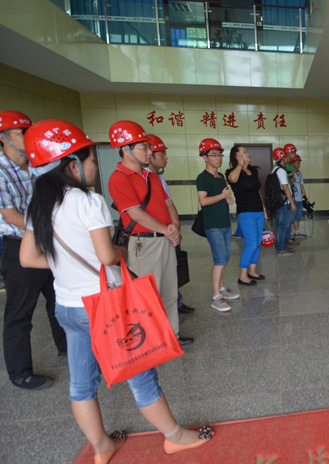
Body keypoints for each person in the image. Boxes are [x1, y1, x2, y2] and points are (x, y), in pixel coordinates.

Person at [19, 119, 213, 464]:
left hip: (68, 307)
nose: (95, 166)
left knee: (81, 385)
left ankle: (101, 446)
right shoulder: (87, 201)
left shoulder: (39, 204)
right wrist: (121, 253)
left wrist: (66, 263)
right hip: (104, 305)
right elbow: (107, 256)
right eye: (92, 159)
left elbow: (28, 258)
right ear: (72, 164)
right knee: (141, 376)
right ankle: (175, 437)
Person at [107, 121, 193, 346]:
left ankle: (171, 337)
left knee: (169, 292)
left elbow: (168, 204)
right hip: (144, 245)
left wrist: (175, 228)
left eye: (149, 147)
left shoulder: (151, 176)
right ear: (125, 150)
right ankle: (149, 342)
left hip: (165, 240)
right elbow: (136, 214)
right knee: (146, 297)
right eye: (143, 147)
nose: (149, 152)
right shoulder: (119, 178)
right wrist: (167, 230)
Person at [0, 110, 66, 390]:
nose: (28, 137)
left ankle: (66, 347)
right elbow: (10, 215)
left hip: (47, 241)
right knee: (20, 312)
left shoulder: (37, 167)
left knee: (59, 298)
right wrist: (42, 228)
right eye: (21, 133)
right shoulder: (1, 171)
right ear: (4, 138)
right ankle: (20, 373)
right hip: (18, 247)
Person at [145, 134, 195, 315]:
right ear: (150, 155)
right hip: (157, 234)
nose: (166, 158)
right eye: (162, 154)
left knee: (172, 270)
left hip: (170, 230)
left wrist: (176, 227)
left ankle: (175, 302)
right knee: (159, 275)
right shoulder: (144, 178)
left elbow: (169, 203)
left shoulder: (158, 176)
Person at [196, 138, 239, 311]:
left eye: (220, 155)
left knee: (224, 258)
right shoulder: (202, 178)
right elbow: (203, 201)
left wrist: (227, 198)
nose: (218, 158)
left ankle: (222, 288)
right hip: (213, 225)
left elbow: (223, 195)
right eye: (214, 155)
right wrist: (222, 196)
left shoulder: (220, 176)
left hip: (225, 223)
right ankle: (216, 296)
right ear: (204, 157)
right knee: (220, 259)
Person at [226, 144, 266, 286]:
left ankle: (252, 271)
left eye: (247, 151)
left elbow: (258, 192)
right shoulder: (232, 172)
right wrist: (239, 164)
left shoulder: (253, 171)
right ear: (236, 155)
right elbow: (233, 179)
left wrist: (264, 209)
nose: (248, 153)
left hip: (258, 211)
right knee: (251, 244)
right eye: (244, 152)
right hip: (246, 213)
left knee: (257, 243)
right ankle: (243, 276)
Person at [271, 146, 296, 256]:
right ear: (283, 158)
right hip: (285, 203)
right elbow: (285, 188)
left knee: (278, 225)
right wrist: (292, 202)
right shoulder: (281, 171)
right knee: (283, 226)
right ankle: (281, 249)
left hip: (279, 202)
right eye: (285, 157)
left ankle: (279, 244)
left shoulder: (275, 169)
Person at [291, 153, 310, 238]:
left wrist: (305, 196)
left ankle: (297, 232)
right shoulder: (290, 174)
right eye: (297, 163)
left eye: (299, 163)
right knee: (291, 216)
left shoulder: (299, 173)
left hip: (299, 199)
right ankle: (288, 234)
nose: (299, 165)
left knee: (298, 216)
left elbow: (301, 185)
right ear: (293, 163)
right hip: (293, 199)